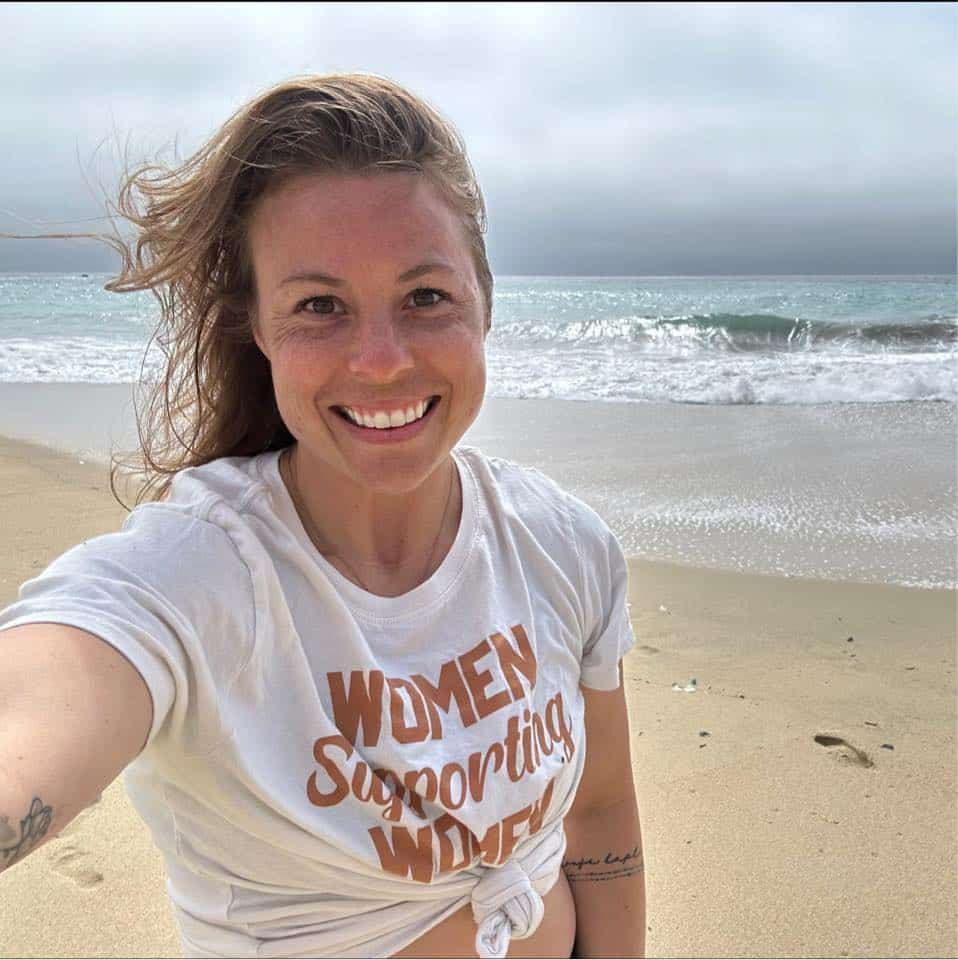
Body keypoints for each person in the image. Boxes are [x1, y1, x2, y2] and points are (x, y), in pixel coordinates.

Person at [0, 74, 645, 959]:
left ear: (483, 305)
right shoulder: (201, 575)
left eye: (425, 297)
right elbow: (45, 699)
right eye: (319, 306)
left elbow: (601, 811)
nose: (380, 362)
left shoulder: (562, 545)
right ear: (259, 329)